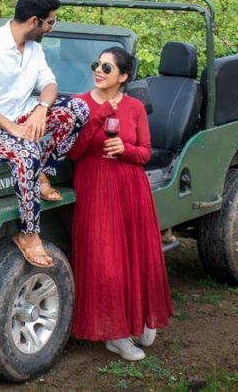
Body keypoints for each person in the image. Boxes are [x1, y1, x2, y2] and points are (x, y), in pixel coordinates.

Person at [0, 0, 89, 268]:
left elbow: (50, 85)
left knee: (77, 110)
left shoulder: (34, 48)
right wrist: (12, 129)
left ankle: (42, 173)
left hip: (22, 114)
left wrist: (41, 109)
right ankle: (29, 233)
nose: (51, 28)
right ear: (34, 21)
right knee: (26, 152)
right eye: (50, 23)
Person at [68, 47, 173, 361]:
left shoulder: (135, 107)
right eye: (97, 64)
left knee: (136, 254)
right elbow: (73, 152)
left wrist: (124, 148)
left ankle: (139, 318)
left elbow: (144, 152)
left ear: (124, 76)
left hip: (130, 186)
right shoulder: (80, 104)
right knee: (107, 259)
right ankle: (116, 335)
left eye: (107, 67)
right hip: (96, 185)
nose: (98, 70)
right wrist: (98, 116)